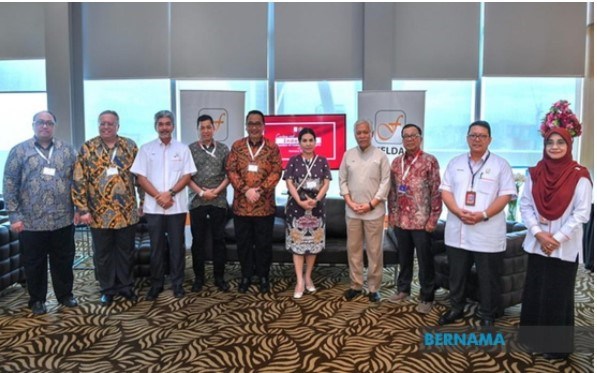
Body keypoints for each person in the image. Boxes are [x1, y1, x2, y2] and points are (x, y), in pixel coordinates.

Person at [518, 119, 591, 359]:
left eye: (561, 142)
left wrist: (556, 238)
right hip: (538, 242)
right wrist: (539, 233)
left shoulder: (579, 175)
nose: (555, 147)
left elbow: (582, 213)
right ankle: (531, 338)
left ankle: (555, 347)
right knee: (536, 290)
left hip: (563, 246)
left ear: (569, 145)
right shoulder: (535, 172)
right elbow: (525, 205)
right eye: (550, 142)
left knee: (557, 294)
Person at [438, 120, 516, 326]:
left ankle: (488, 314)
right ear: (467, 138)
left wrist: (482, 214)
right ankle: (456, 307)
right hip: (458, 230)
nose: (477, 139)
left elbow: (506, 195)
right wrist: (456, 211)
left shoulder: (500, 165)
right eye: (473, 135)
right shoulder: (455, 163)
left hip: (487, 233)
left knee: (488, 278)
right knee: (457, 275)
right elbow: (445, 190)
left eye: (482, 136)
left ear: (489, 139)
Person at [3, 111, 78, 315]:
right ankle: (37, 299)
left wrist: (80, 208)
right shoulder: (20, 151)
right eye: (41, 123)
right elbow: (9, 183)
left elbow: (78, 181)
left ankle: (65, 295)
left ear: (54, 126)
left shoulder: (67, 150)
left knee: (63, 259)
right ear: (33, 125)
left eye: (49, 123)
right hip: (31, 221)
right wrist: (14, 216)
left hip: (62, 218)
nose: (45, 126)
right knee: (34, 262)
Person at [72, 110, 142, 306]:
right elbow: (79, 180)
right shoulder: (88, 148)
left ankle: (126, 286)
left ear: (118, 126)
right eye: (102, 123)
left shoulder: (130, 147)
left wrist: (144, 201)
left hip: (126, 212)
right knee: (103, 254)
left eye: (110, 123)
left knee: (126, 251)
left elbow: (140, 177)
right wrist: (82, 209)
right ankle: (107, 289)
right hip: (98, 213)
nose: (106, 127)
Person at [131, 110, 196, 300]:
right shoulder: (146, 149)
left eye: (168, 124)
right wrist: (159, 196)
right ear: (156, 127)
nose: (164, 127)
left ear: (173, 126)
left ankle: (177, 284)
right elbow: (140, 177)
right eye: (161, 124)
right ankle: (156, 284)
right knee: (156, 247)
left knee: (177, 247)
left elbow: (187, 175)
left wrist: (170, 194)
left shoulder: (183, 149)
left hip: (176, 206)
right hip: (154, 208)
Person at [387, 123, 442, 314]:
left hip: (421, 220)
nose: (409, 139)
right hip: (401, 220)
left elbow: (436, 191)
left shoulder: (430, 161)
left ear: (420, 138)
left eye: (413, 135)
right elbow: (392, 192)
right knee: (404, 257)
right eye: (406, 136)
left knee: (425, 260)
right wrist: (392, 215)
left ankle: (427, 296)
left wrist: (433, 219)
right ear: (402, 140)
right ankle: (403, 289)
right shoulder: (395, 163)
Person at [226, 110, 282, 293]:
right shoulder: (237, 146)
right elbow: (231, 170)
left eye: (258, 123)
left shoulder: (272, 148)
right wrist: (245, 190)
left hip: (264, 207)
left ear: (263, 126)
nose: (254, 127)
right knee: (243, 244)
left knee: (264, 244)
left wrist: (260, 190)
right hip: (241, 207)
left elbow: (277, 172)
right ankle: (246, 276)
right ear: (246, 126)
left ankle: (264, 276)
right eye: (251, 123)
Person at [339, 119, 391, 303]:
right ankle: (356, 284)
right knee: (353, 249)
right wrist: (350, 202)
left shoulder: (381, 156)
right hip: (352, 211)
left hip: (374, 212)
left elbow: (386, 183)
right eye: (358, 132)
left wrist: (371, 204)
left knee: (374, 251)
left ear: (372, 133)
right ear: (355, 134)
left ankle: (374, 288)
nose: (362, 135)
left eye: (365, 132)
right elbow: (342, 181)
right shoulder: (348, 155)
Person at [283, 128, 332, 299]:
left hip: (316, 209)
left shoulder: (322, 161)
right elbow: (289, 183)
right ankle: (299, 281)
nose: (308, 143)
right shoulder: (293, 161)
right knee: (298, 247)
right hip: (297, 209)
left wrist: (316, 199)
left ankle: (308, 276)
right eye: (304, 140)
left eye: (311, 140)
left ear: (315, 142)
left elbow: (326, 183)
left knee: (312, 246)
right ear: (299, 143)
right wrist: (299, 201)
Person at [188, 114, 230, 293]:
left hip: (218, 201)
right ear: (197, 130)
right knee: (197, 241)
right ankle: (199, 278)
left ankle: (219, 278)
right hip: (197, 201)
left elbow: (229, 176)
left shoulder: (223, 149)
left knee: (219, 240)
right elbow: (186, 177)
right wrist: (202, 192)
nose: (205, 131)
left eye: (208, 127)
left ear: (214, 129)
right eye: (202, 127)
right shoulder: (189, 150)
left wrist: (216, 191)